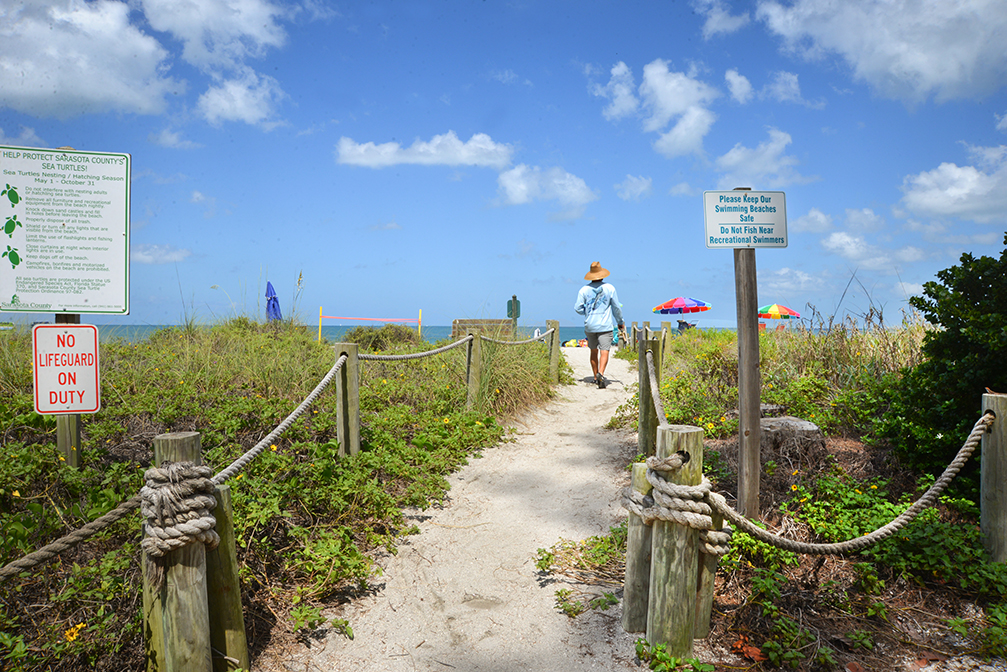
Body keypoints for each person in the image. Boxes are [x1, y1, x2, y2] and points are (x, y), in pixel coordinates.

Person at [574, 261, 626, 388]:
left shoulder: (584, 290)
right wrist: (620, 322)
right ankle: (601, 374)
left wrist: (587, 312)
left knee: (593, 351)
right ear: (602, 274)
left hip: (590, 325)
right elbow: (616, 308)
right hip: (605, 326)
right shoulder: (610, 288)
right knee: (604, 351)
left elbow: (577, 308)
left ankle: (595, 376)